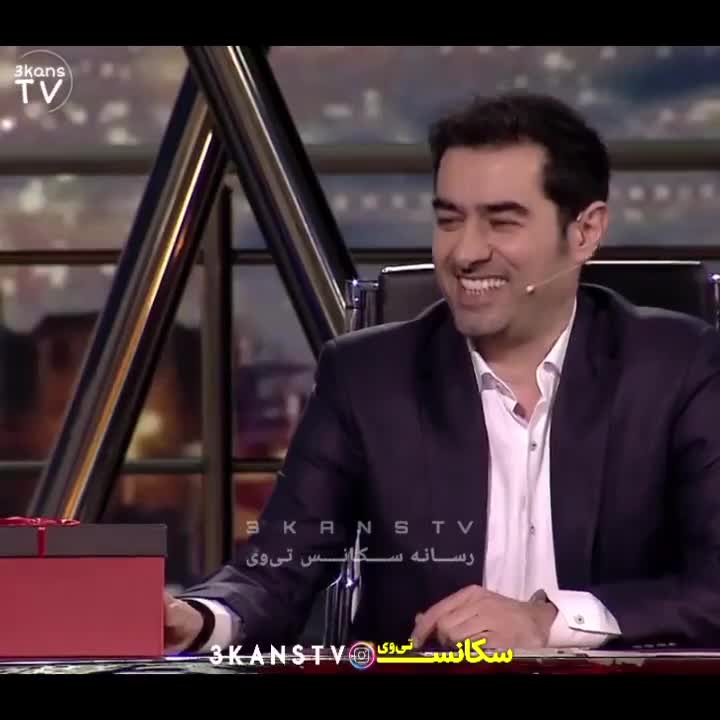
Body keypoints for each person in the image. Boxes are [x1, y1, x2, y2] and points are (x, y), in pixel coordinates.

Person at [165, 92, 720, 654]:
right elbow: (277, 568)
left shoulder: (678, 367)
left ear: (584, 232)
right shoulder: (366, 378)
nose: (464, 252)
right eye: (449, 220)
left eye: (501, 221)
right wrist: (201, 618)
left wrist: (548, 620)